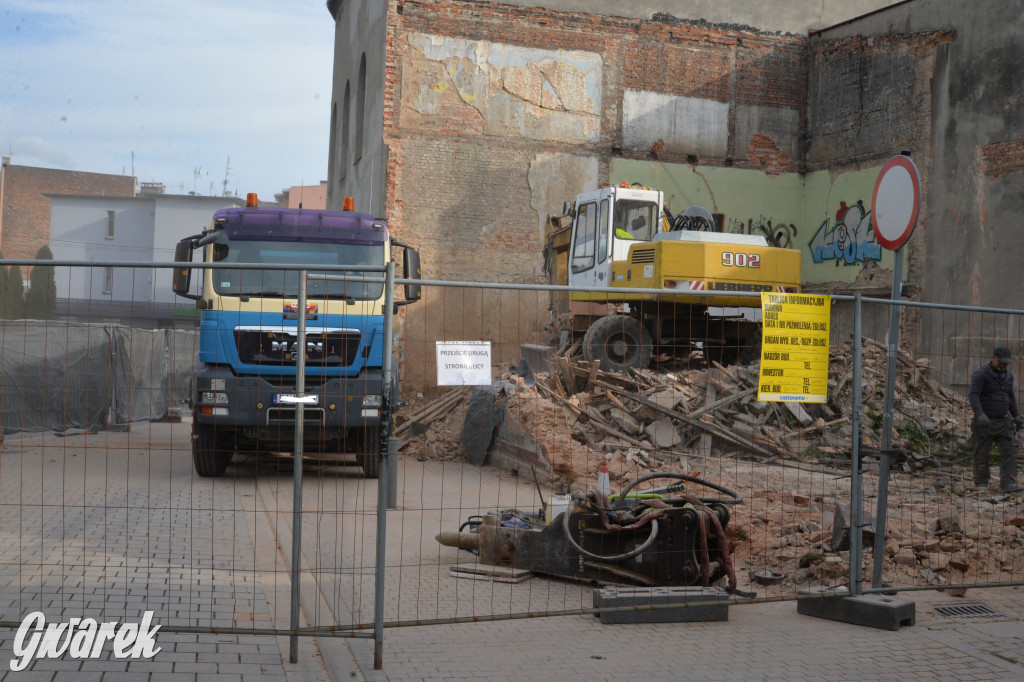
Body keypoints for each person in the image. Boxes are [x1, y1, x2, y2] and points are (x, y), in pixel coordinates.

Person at [968, 346, 1023, 493]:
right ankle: (981, 484)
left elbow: (1010, 397)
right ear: (993, 358)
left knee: (1010, 451)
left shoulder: (1009, 376)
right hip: (985, 422)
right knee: (981, 453)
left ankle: (1008, 483)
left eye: (1006, 362)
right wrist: (979, 414)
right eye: (1000, 361)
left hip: (1003, 422)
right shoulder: (981, 374)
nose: (1003, 365)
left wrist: (1016, 415)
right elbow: (973, 395)